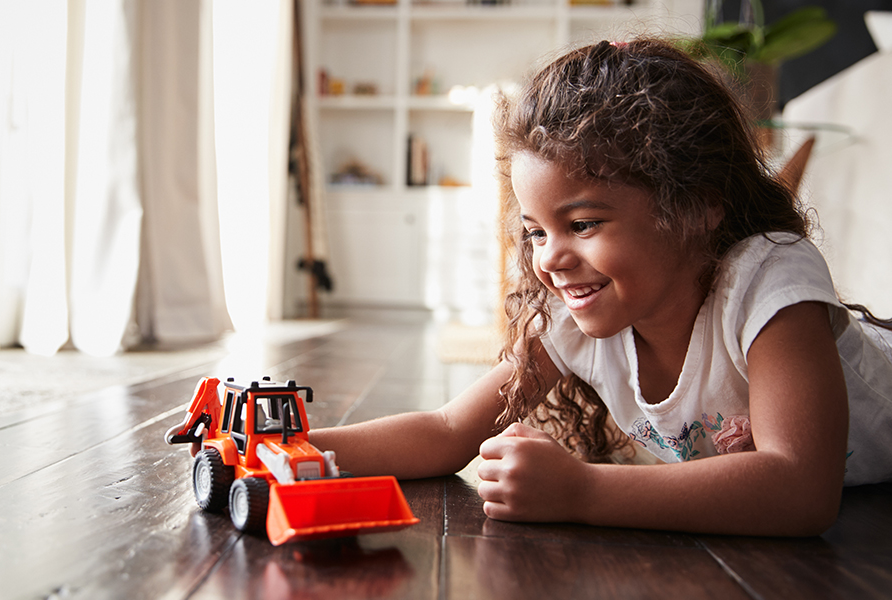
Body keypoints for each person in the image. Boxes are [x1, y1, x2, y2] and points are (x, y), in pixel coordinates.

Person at [308, 38, 892, 537]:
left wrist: (583, 492)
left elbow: (800, 487)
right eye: (535, 232)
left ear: (696, 205)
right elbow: (446, 431)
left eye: (583, 225)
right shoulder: (580, 317)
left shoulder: (767, 280)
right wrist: (284, 444)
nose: (550, 260)